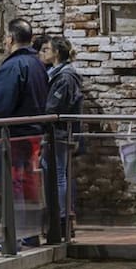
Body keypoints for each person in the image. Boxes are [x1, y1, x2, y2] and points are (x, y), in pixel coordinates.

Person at [0, 18, 48, 246]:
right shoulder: (38, 65)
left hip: (11, 136)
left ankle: (13, 236)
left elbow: (0, 104)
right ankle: (29, 234)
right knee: (27, 185)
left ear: (10, 38)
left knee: (13, 186)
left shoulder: (13, 67)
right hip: (32, 135)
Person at [39, 36, 83, 236]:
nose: (43, 53)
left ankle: (62, 219)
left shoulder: (64, 77)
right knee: (58, 175)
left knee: (58, 177)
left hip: (59, 132)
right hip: (58, 132)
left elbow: (53, 106)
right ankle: (60, 218)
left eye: (47, 49)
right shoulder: (58, 74)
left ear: (56, 53)